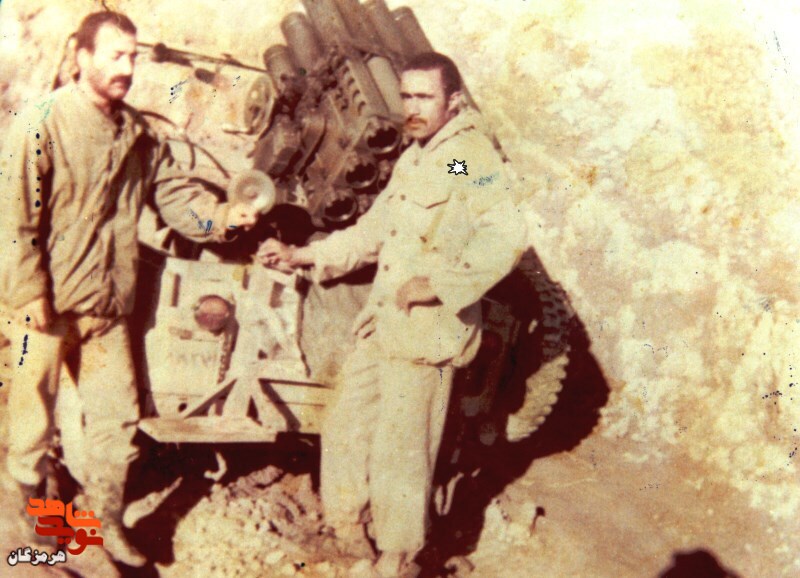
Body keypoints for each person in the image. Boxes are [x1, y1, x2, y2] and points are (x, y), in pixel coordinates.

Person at [0, 11, 259, 567]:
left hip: (106, 307)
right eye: (115, 56)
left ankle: (103, 526)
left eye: (132, 57)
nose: (126, 68)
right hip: (44, 308)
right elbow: (13, 217)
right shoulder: (43, 123)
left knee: (116, 425)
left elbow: (177, 199)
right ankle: (38, 521)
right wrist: (27, 293)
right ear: (82, 57)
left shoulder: (138, 134)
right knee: (31, 424)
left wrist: (224, 218)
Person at [259, 52, 527, 577]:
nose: (413, 108)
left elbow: (506, 232)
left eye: (425, 97)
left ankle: (398, 556)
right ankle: (348, 528)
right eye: (406, 97)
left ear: (454, 101)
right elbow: (373, 233)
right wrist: (302, 256)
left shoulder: (465, 159)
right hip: (383, 324)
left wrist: (440, 285)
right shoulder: (416, 159)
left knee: (402, 449)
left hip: (424, 333)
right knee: (346, 424)